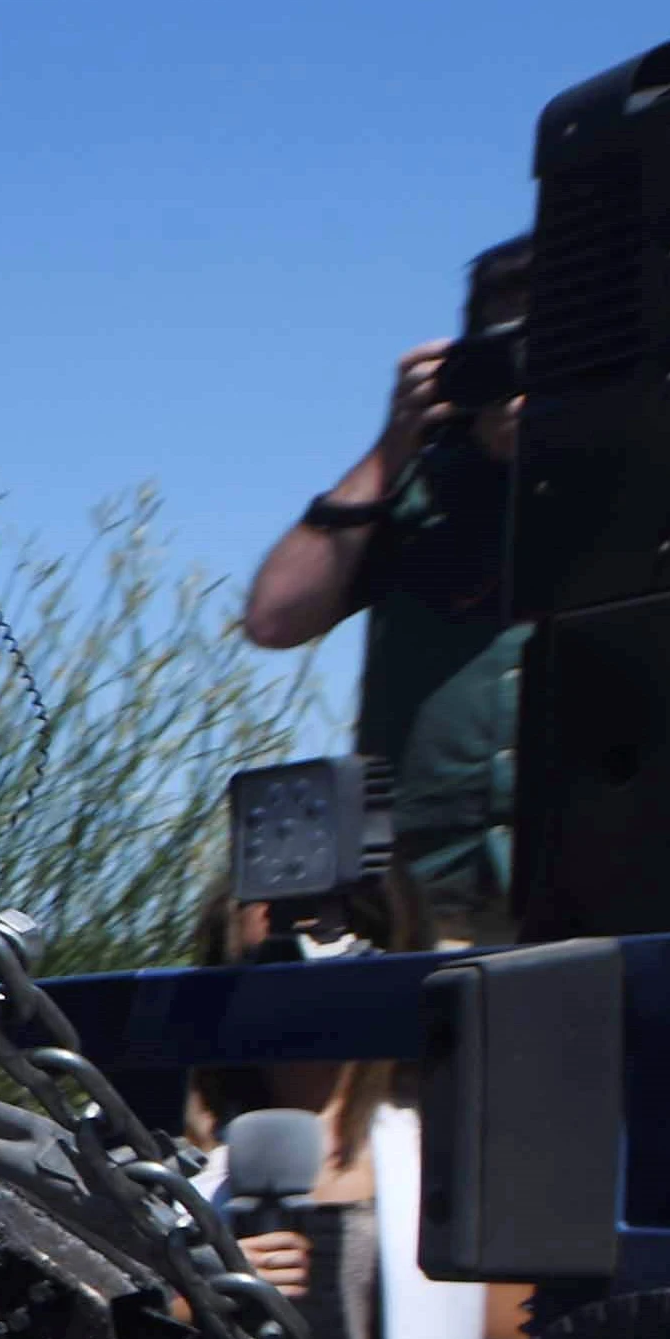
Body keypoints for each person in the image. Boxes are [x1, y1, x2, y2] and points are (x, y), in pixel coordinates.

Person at [238, 242, 527, 943]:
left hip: (603, 877)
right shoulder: (420, 490)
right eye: (502, 348)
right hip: (428, 896)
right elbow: (274, 618)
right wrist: (392, 447)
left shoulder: (655, 464)